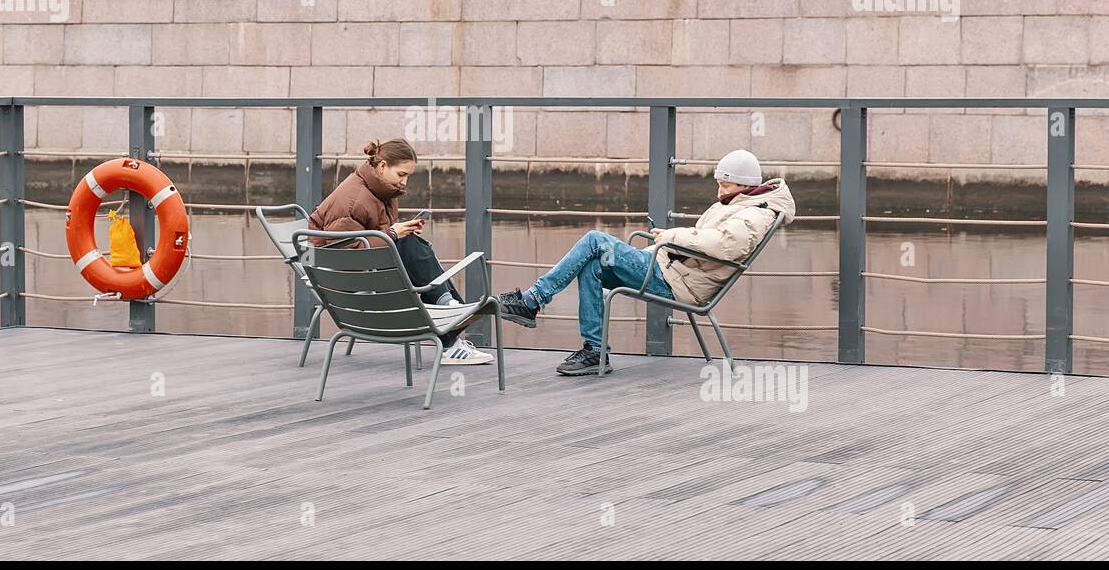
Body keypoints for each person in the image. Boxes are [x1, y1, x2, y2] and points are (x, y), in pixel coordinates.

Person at [496, 149, 795, 376]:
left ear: (743, 184)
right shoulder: (740, 204)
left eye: (725, 186)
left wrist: (670, 236)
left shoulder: (756, 214)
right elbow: (707, 242)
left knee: (594, 240)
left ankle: (533, 301)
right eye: (719, 185)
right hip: (667, 268)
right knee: (591, 263)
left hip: (675, 282)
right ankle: (594, 351)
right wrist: (666, 243)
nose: (719, 193)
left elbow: (723, 246)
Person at [308, 138, 494, 366]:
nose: (405, 182)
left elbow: (372, 238)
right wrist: (393, 234)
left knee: (410, 246)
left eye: (408, 176)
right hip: (344, 281)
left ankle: (449, 323)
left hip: (369, 270)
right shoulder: (353, 201)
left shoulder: (380, 191)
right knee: (407, 248)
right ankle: (449, 319)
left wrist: (398, 231)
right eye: (401, 175)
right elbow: (345, 258)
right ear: (383, 166)